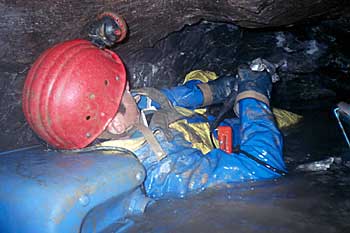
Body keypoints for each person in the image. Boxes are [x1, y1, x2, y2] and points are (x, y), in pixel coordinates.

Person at [22, 13, 287, 200]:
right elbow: (265, 167)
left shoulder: (119, 118)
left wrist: (233, 85)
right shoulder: (164, 172)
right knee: (285, 121)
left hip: (194, 124)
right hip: (213, 141)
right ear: (113, 123)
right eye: (122, 91)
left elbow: (177, 97)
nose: (130, 88)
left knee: (198, 76)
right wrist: (254, 96)